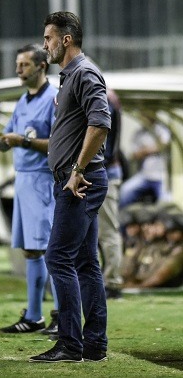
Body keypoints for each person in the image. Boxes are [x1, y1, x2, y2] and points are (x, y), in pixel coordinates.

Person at [30, 12, 111, 363]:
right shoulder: (70, 77)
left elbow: (100, 122)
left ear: (65, 39)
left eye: (48, 38)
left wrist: (76, 170)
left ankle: (70, 344)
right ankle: (94, 345)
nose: (44, 44)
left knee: (57, 257)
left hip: (80, 181)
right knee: (84, 262)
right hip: (78, 178)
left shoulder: (84, 73)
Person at [0, 44, 59, 335]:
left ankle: (61, 315)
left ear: (41, 66)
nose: (18, 70)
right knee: (30, 250)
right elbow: (6, 144)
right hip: (23, 180)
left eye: (24, 65)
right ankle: (34, 316)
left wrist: (23, 142)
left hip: (43, 180)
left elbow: (58, 144)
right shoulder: (22, 102)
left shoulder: (53, 99)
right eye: (17, 65)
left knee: (52, 251)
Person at [98, 91, 124, 299]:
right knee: (104, 232)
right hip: (105, 171)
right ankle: (108, 280)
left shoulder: (105, 98)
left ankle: (113, 283)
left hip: (104, 172)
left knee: (107, 232)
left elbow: (104, 137)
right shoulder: (109, 96)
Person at [119, 115, 170, 208]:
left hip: (161, 177)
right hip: (144, 175)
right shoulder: (139, 133)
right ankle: (121, 222)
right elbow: (135, 155)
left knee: (166, 202)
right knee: (124, 192)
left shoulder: (162, 130)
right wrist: (152, 148)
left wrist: (145, 150)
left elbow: (163, 145)